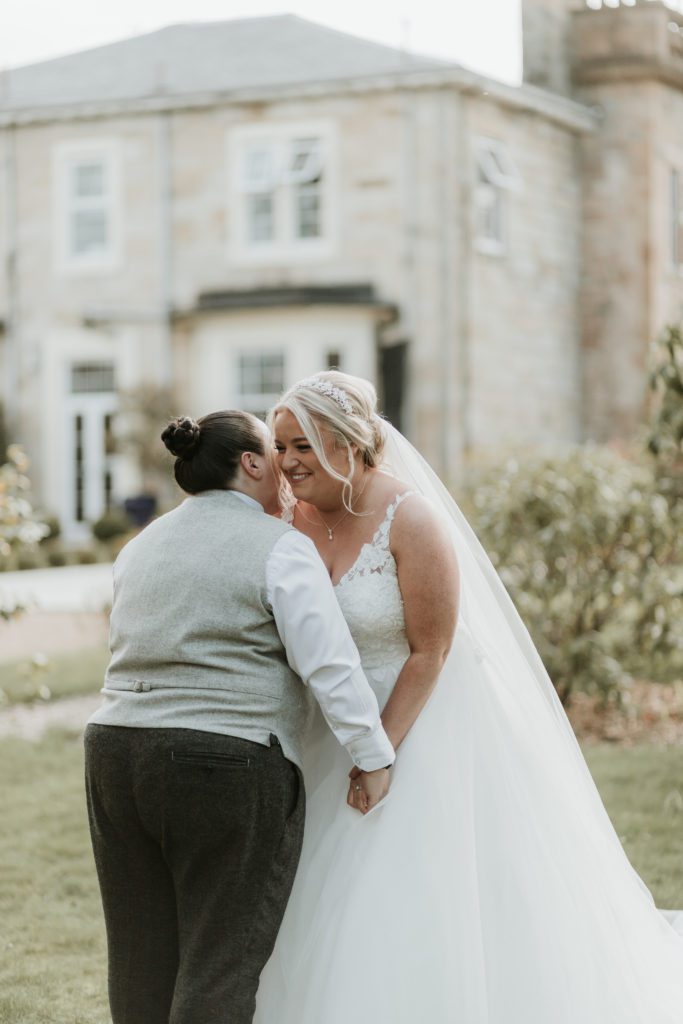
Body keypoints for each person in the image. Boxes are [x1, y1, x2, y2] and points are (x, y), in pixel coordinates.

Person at [254, 371, 683, 1024]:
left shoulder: (410, 517)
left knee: (398, 897)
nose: (286, 461)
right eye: (280, 446)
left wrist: (379, 754)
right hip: (321, 731)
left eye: (301, 445)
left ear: (346, 441)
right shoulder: (289, 518)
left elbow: (432, 650)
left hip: (420, 727)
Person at [84, 409, 395, 1024]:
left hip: (114, 752)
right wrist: (374, 755)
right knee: (219, 964)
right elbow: (328, 665)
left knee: (139, 957)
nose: (285, 469)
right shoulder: (280, 548)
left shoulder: (139, 547)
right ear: (251, 464)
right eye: (273, 455)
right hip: (225, 762)